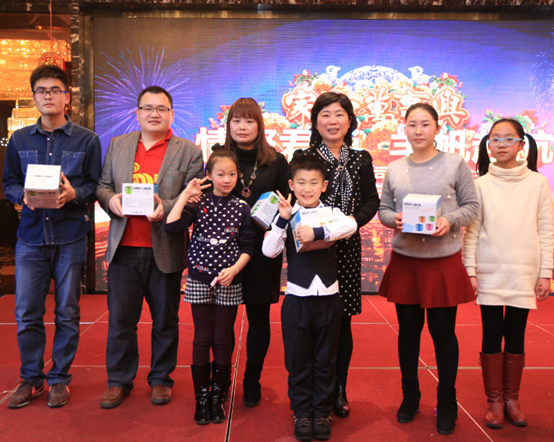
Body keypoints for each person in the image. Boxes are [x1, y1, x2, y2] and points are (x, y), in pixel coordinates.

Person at [96, 86, 203, 409]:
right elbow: (102, 186)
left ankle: (160, 379)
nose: (154, 114)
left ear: (171, 114)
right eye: (147, 108)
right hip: (124, 248)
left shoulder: (189, 151)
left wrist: (165, 207)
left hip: (165, 248)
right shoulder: (118, 145)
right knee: (120, 321)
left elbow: (192, 200)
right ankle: (118, 380)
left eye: (161, 109)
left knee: (165, 321)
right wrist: (111, 201)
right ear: (138, 113)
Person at [3, 64, 102, 408]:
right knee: (27, 312)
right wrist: (21, 196)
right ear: (34, 97)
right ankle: (31, 378)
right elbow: (9, 182)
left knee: (67, 312)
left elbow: (95, 185)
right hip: (30, 237)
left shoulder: (87, 139)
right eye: (41, 91)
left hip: (70, 236)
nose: (48, 96)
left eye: (55, 90)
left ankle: (59, 378)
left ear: (66, 96)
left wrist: (74, 194)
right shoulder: (19, 139)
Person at [378, 103, 479, 435]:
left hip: (441, 262)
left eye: (425, 124)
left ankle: (447, 401)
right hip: (406, 261)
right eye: (412, 124)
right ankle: (410, 396)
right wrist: (394, 219)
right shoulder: (395, 169)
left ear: (437, 128)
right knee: (408, 332)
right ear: (404, 129)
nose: (418, 130)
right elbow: (384, 209)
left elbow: (472, 206)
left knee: (443, 334)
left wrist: (449, 221)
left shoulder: (455, 164)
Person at [293, 92, 379, 417]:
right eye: (325, 114)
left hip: (345, 250)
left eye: (339, 114)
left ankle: (337, 389)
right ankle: (311, 392)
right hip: (311, 252)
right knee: (310, 325)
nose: (333, 121)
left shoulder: (361, 159)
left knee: (341, 324)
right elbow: (293, 197)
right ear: (315, 122)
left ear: (350, 120)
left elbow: (371, 201)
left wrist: (349, 223)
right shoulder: (303, 156)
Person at [464, 119, 553, 429]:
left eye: (508, 139)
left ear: (521, 144)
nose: (501, 144)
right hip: (489, 271)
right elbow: (472, 232)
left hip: (524, 272)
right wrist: (470, 271)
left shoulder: (537, 183)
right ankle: (495, 400)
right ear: (488, 145)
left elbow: (546, 229)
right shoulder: (480, 185)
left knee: (516, 334)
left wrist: (546, 272)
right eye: (495, 139)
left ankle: (512, 398)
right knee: (491, 334)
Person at [263, 153, 357, 441]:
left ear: (324, 185)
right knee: (298, 360)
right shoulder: (285, 214)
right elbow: (269, 251)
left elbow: (351, 226)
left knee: (326, 359)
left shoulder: (333, 213)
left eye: (314, 183)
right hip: (297, 299)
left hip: (329, 298)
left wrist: (318, 232)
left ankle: (322, 411)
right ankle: (302, 411)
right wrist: (283, 221)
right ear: (291, 184)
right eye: (301, 182)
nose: (307, 188)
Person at [164, 148, 255, 424]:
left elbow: (248, 246)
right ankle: (201, 397)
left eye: (232, 174)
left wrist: (235, 269)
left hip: (229, 280)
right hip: (199, 279)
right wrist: (185, 194)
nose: (226, 180)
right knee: (202, 338)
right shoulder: (197, 203)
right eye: (220, 174)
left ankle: (218, 395)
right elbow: (171, 226)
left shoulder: (241, 207)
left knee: (223, 338)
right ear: (209, 175)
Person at [216, 97, 289, 407]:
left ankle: (252, 379)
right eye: (236, 120)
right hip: (225, 251)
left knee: (259, 318)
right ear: (229, 125)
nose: (242, 127)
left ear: (259, 125)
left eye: (249, 121)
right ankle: (221, 378)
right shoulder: (218, 157)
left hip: (262, 252)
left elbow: (288, 204)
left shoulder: (277, 161)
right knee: (224, 320)